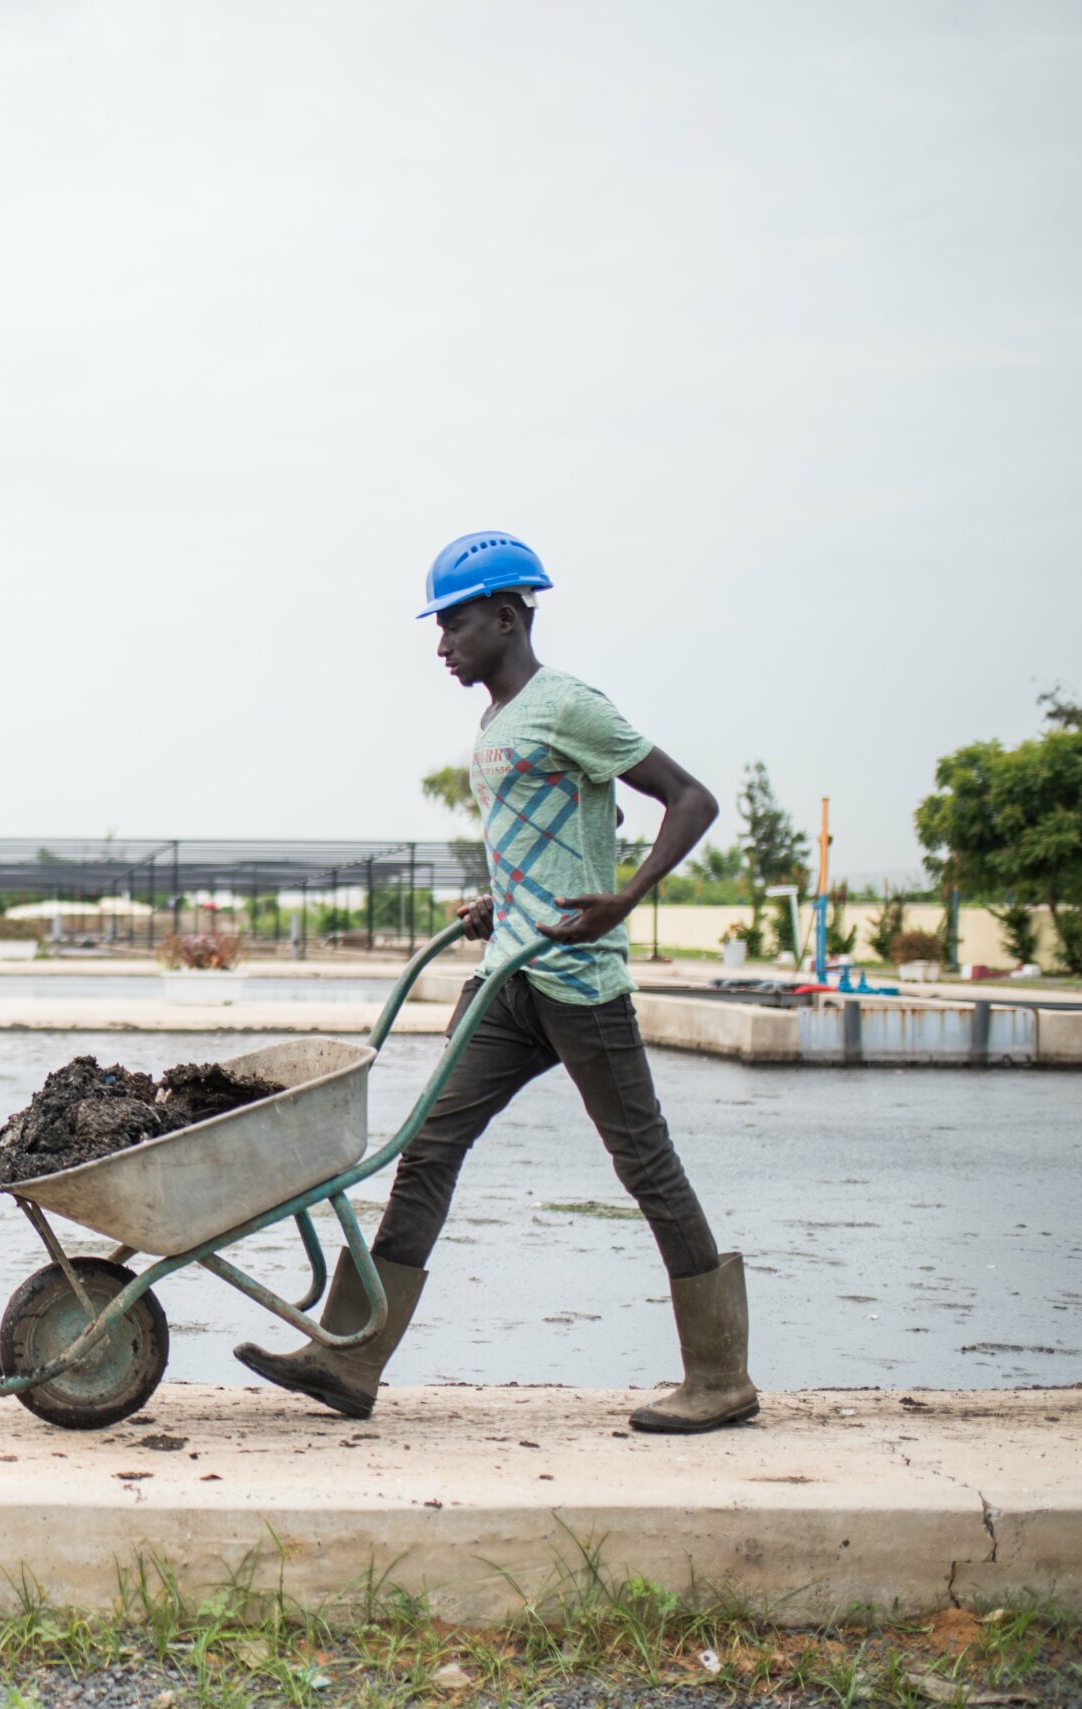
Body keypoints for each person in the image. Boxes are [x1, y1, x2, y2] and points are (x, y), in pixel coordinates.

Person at [235, 531, 760, 1435]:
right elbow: (539, 839)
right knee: (427, 1149)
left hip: (578, 980)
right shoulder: (495, 722)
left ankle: (720, 1377)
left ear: (508, 617)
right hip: (507, 977)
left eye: (455, 625)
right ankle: (350, 1358)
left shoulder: (567, 705)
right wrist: (499, 900)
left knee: (644, 1165)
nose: (441, 646)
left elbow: (690, 797)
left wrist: (624, 898)